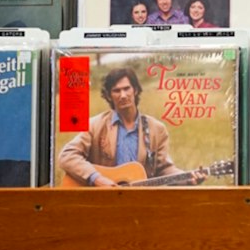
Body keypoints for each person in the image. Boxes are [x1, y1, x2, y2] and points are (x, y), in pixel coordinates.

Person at [57, 67, 204, 187]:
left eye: (127, 88)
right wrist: (97, 178)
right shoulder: (94, 125)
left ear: (136, 90)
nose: (122, 95)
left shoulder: (156, 129)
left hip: (139, 202)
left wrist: (187, 178)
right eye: (116, 91)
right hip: (101, 201)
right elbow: (66, 156)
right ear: (108, 96)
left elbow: (164, 168)